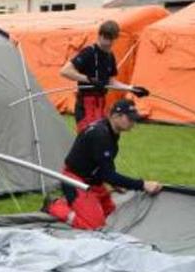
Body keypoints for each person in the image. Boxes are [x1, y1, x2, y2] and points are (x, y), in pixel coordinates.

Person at [44, 99, 162, 230]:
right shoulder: (100, 135)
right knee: (94, 226)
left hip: (93, 179)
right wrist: (143, 185)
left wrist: (114, 183)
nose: (133, 123)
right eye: (130, 119)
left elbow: (103, 165)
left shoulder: (112, 131)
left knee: (110, 211)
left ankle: (79, 204)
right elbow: (109, 175)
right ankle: (55, 206)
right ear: (116, 116)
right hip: (75, 180)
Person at [60, 20, 149, 133]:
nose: (108, 43)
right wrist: (89, 79)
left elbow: (111, 82)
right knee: (90, 137)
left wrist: (132, 88)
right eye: (106, 38)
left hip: (101, 103)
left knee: (102, 136)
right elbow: (65, 71)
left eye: (111, 39)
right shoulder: (88, 52)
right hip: (86, 104)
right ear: (100, 35)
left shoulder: (110, 56)